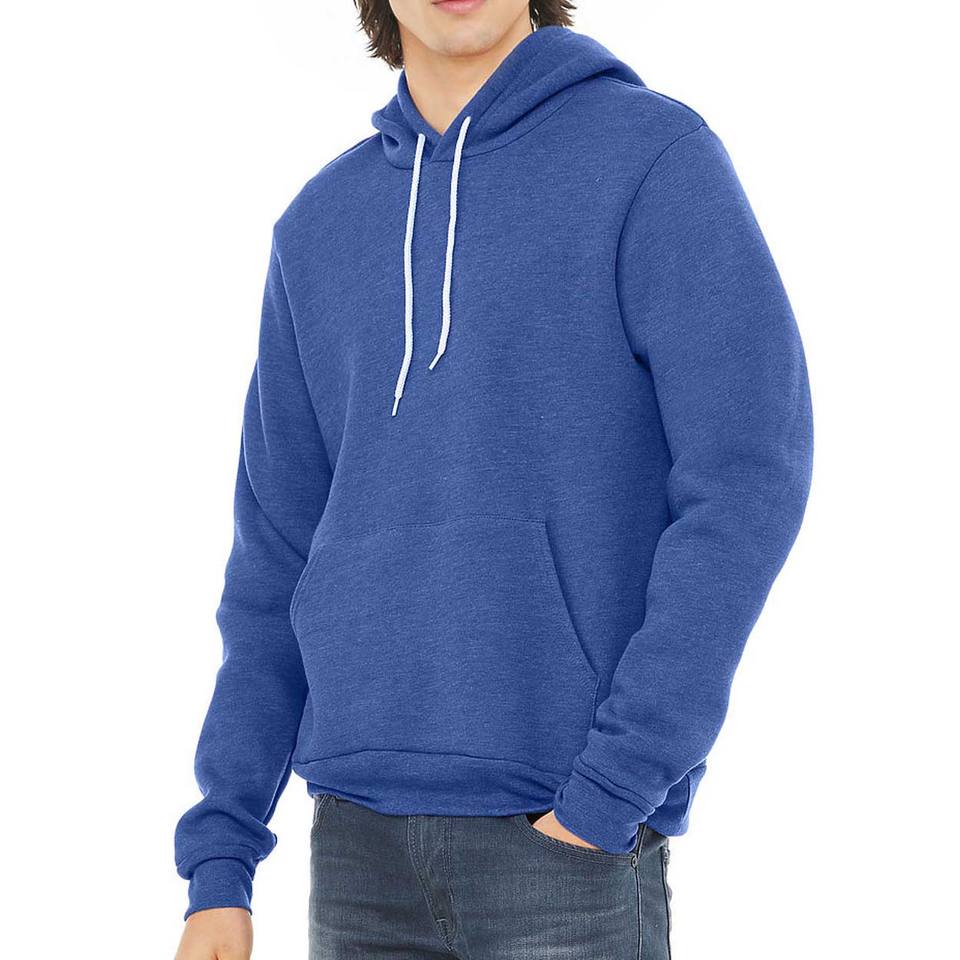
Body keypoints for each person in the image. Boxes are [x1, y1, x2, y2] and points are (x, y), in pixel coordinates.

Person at [174, 1, 813, 957]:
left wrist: (612, 789)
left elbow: (748, 478)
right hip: (354, 850)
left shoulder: (652, 161)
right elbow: (274, 556)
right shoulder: (318, 227)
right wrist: (221, 860)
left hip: (567, 840)